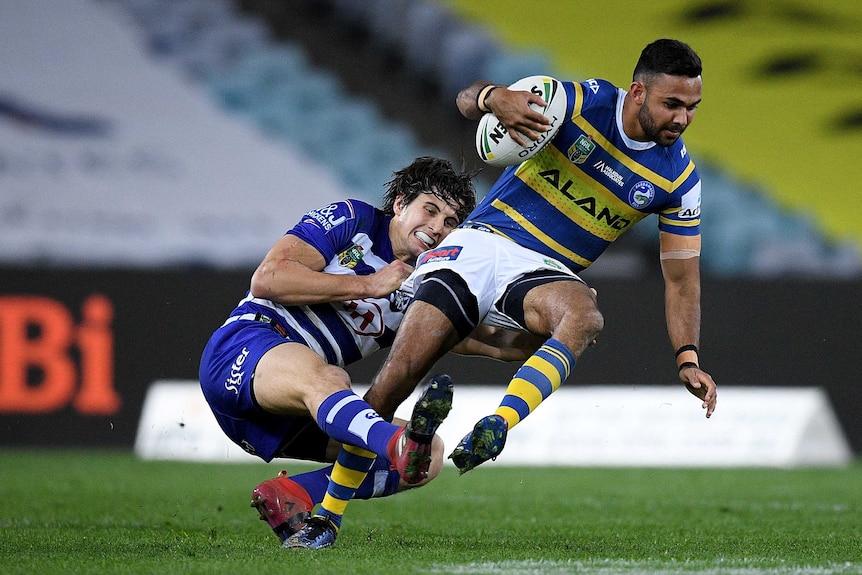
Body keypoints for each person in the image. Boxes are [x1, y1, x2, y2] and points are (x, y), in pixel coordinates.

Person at [364, 39, 718, 476]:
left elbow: (682, 280)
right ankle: (324, 507)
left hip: (544, 272)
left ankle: (498, 423)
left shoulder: (680, 182)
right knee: (395, 382)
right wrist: (493, 97)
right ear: (638, 92)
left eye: (692, 106)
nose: (682, 118)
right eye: (672, 104)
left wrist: (688, 358)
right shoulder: (585, 101)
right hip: (484, 242)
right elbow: (465, 100)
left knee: (584, 318)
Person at [199, 156, 538, 550]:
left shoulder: (429, 283)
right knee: (331, 380)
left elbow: (498, 341)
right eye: (429, 210)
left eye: (450, 223)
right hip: (244, 349)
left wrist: (559, 321)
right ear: (399, 203)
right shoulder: (353, 220)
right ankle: (396, 444)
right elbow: (268, 278)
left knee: (430, 457)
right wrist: (369, 285)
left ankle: (293, 493)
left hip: (288, 411)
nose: (436, 229)